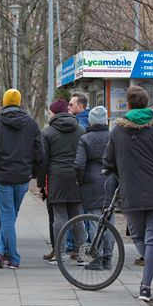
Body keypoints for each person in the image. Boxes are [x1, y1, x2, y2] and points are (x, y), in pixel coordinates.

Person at [103, 86, 153, 302]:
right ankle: (147, 286)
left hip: (131, 193)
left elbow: (108, 161)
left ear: (127, 105)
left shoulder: (118, 130)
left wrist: (118, 167)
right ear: (146, 104)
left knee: (139, 237)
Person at [0, 89, 44, 269]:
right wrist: (33, 172)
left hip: (1, 178)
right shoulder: (32, 124)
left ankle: (13, 257)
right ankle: (1, 250)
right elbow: (39, 152)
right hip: (22, 177)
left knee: (8, 216)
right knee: (11, 215)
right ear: (19, 103)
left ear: (4, 102)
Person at [37, 98, 86, 264]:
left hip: (56, 177)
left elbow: (43, 160)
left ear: (54, 113)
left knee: (59, 217)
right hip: (76, 178)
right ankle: (81, 253)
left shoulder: (48, 132)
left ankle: (60, 254)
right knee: (78, 216)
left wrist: (40, 184)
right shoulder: (81, 130)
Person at [74, 106, 117, 270]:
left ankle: (96, 257)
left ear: (91, 121)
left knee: (94, 221)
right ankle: (108, 257)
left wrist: (80, 180)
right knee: (110, 222)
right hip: (111, 182)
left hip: (91, 183)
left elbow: (79, 164)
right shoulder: (113, 137)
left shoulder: (85, 139)